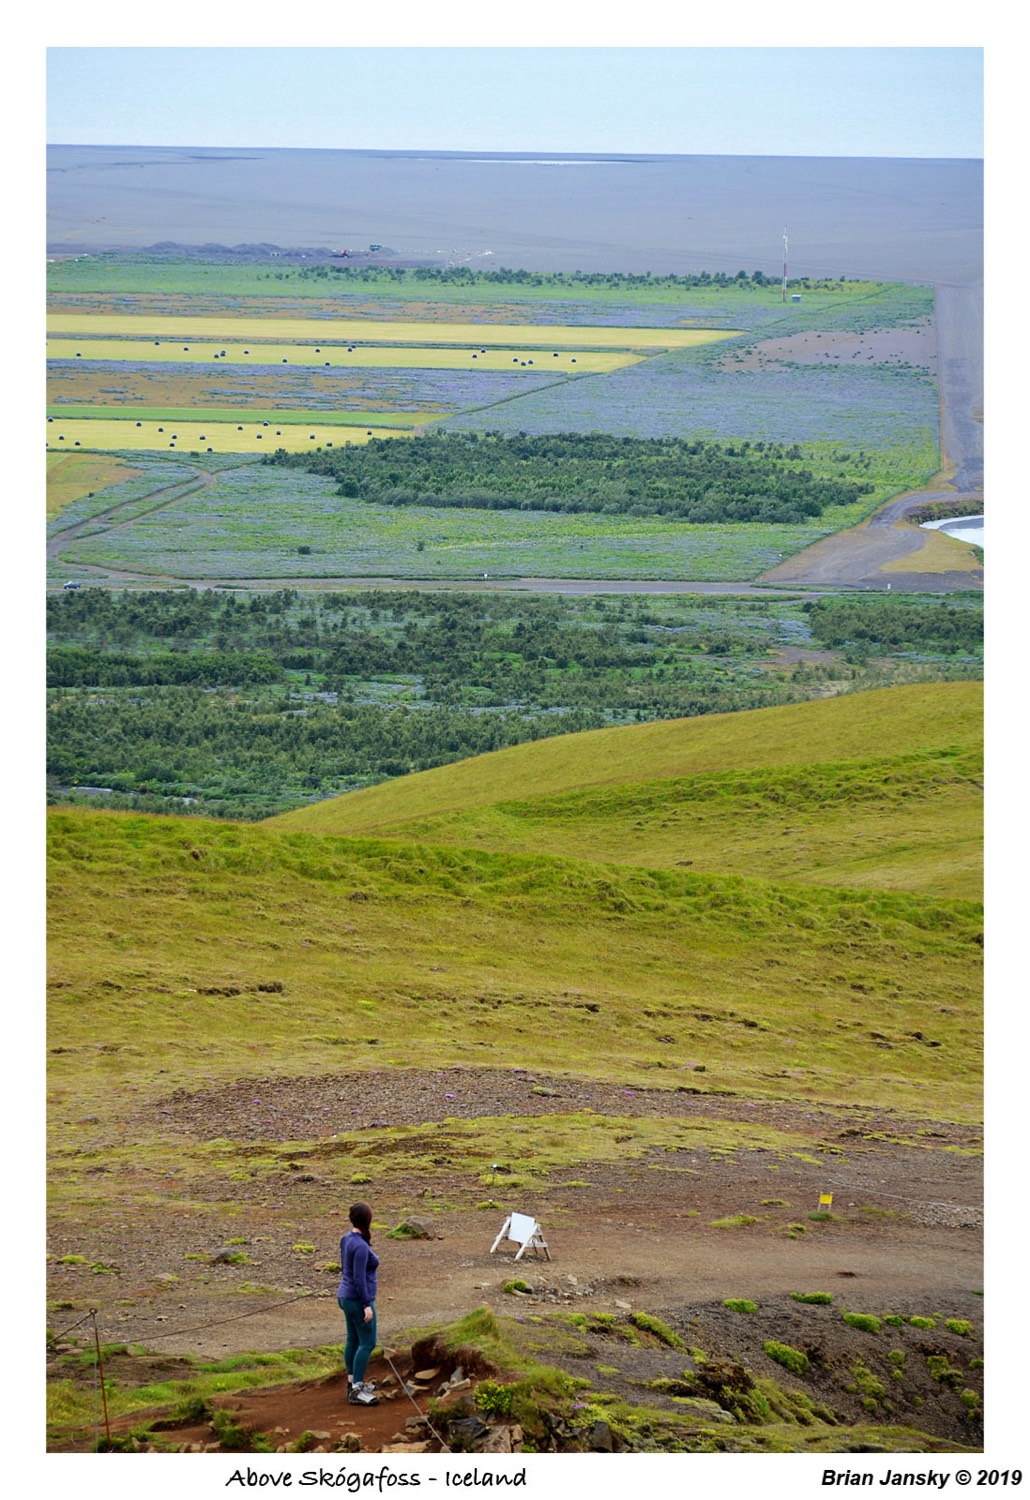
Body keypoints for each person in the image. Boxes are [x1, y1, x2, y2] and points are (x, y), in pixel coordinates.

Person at [338, 1202, 380, 1406]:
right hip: (358, 1299)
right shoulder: (362, 1246)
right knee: (368, 1342)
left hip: (345, 1296)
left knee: (353, 1339)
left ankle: (351, 1382)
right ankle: (357, 1388)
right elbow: (359, 1278)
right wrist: (366, 1304)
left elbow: (347, 1269)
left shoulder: (347, 1238)